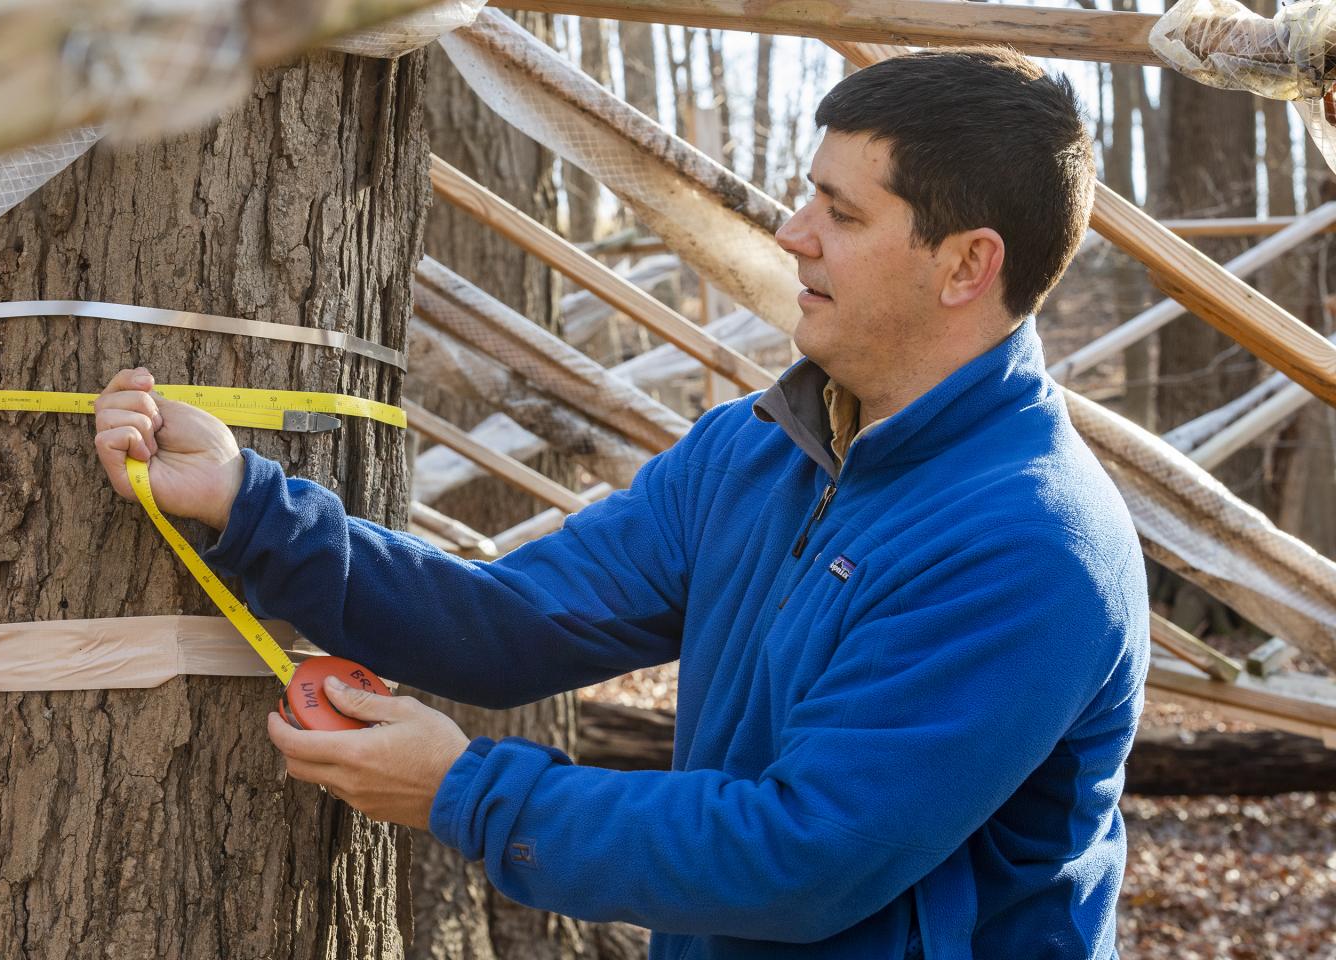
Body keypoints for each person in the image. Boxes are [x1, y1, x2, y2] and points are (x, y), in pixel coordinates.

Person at [94, 47, 1148, 960]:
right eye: (806, 196)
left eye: (843, 211)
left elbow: (806, 855)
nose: (792, 234)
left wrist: (464, 793)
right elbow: (517, 622)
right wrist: (250, 505)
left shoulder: (1029, 545)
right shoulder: (759, 450)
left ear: (968, 264)